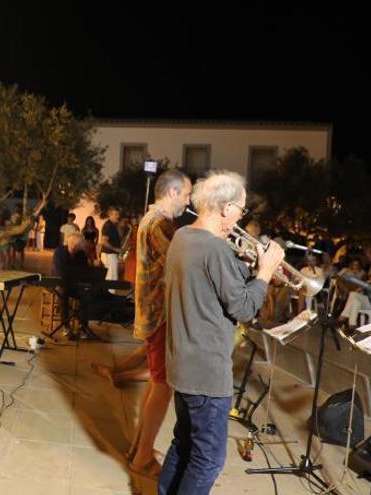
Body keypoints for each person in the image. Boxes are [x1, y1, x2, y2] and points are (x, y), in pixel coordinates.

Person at [159, 170, 284, 494]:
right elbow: (243, 308)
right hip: (206, 371)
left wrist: (251, 270)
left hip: (182, 362)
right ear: (226, 207)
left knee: (183, 444)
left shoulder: (183, 236)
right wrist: (266, 273)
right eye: (241, 209)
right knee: (208, 460)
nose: (241, 216)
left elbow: (214, 285)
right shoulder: (215, 249)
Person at [123, 170, 191, 478]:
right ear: (172, 192)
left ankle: (140, 448)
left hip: (154, 313)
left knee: (155, 383)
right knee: (163, 388)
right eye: (187, 195)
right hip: (161, 314)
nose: (188, 202)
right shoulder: (161, 224)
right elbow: (183, 263)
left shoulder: (149, 220)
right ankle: (142, 460)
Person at [99, 207, 122, 285]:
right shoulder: (108, 226)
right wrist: (116, 249)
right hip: (109, 255)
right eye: (115, 214)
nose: (118, 216)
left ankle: (109, 295)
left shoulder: (112, 225)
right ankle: (109, 296)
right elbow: (104, 241)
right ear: (110, 215)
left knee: (111, 277)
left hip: (111, 254)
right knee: (112, 278)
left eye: (118, 214)